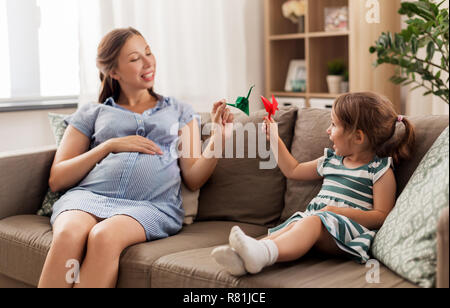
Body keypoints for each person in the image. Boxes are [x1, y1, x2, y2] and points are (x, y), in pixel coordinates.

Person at [38, 27, 233, 288]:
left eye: (148, 53)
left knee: (104, 237)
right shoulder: (93, 112)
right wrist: (108, 146)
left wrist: (219, 137)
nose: (148, 62)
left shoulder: (179, 111)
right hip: (88, 197)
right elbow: (57, 179)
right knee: (68, 233)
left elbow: (194, 178)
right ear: (114, 72)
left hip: (152, 205)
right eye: (135, 58)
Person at [212, 92, 415, 276]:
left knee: (310, 222)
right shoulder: (330, 161)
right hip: (316, 223)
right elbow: (293, 170)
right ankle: (246, 255)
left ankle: (263, 254)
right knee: (295, 223)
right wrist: (274, 139)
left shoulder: (378, 170)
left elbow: (381, 216)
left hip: (346, 235)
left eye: (334, 125)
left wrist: (338, 212)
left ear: (358, 137)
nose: (328, 130)